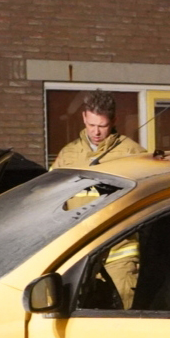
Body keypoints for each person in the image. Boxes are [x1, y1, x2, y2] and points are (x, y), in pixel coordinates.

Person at [53, 91, 147, 306]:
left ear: (114, 121)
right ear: (84, 117)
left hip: (119, 250)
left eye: (102, 126)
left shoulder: (132, 152)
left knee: (125, 309)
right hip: (79, 249)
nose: (96, 132)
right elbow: (52, 201)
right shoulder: (68, 155)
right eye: (92, 124)